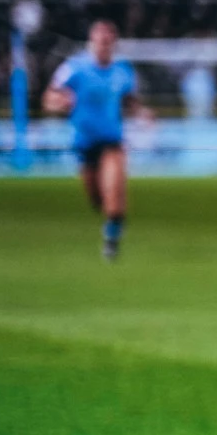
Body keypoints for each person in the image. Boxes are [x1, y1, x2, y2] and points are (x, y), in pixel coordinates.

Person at [42, 19, 150, 261]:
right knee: (96, 199)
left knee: (114, 190)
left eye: (108, 41)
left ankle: (112, 240)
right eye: (99, 41)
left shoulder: (123, 71)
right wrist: (58, 102)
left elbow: (130, 100)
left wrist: (142, 114)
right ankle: (111, 218)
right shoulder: (74, 68)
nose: (103, 46)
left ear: (113, 44)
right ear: (92, 42)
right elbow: (49, 96)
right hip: (84, 142)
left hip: (112, 140)